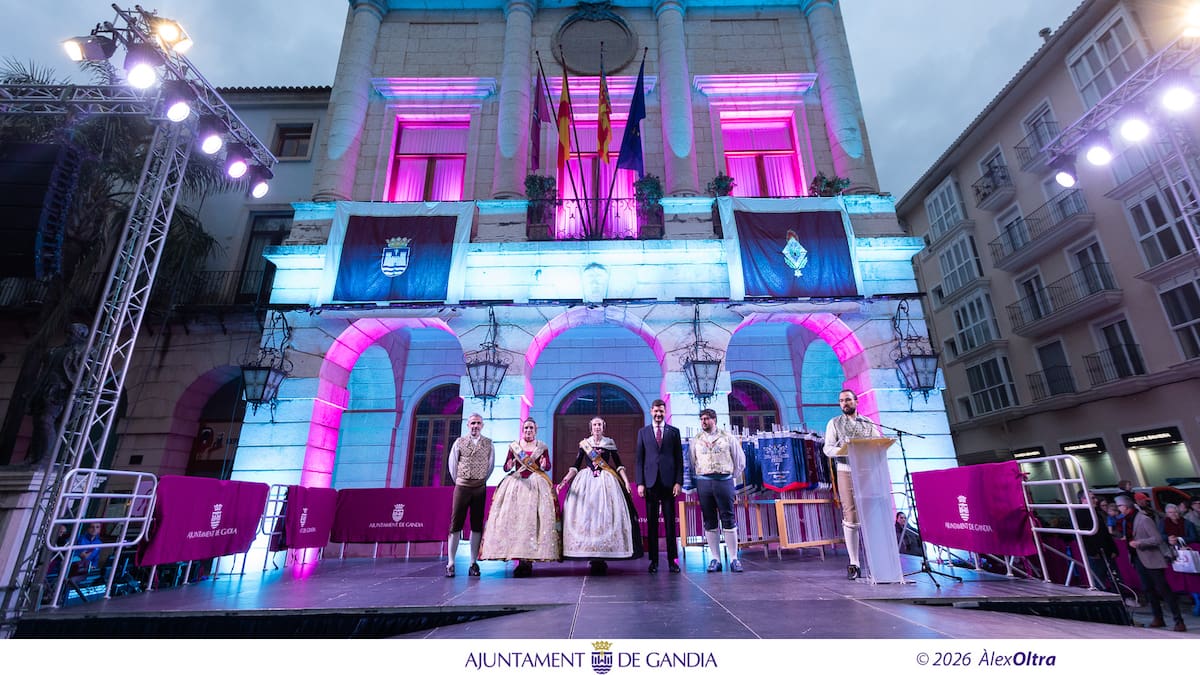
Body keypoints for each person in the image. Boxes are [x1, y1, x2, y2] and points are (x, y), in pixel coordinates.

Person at [557, 416, 642, 575]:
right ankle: (590, 554)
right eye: (595, 424)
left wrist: (625, 482)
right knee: (587, 517)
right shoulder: (585, 444)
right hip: (586, 482)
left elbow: (619, 465)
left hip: (607, 482)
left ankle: (602, 556)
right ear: (591, 428)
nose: (597, 427)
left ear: (603, 427)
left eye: (600, 425)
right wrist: (564, 481)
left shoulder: (609, 443)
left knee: (606, 517)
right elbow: (575, 465)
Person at [479, 418, 561, 577]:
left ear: (535, 429)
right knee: (516, 522)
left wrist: (544, 465)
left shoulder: (542, 447)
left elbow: (547, 466)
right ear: (523, 430)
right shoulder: (514, 446)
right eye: (526, 428)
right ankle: (519, 559)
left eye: (531, 428)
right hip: (516, 485)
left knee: (532, 522)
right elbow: (506, 466)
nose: (528, 430)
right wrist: (508, 466)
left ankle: (529, 560)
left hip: (536, 485)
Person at [822, 388, 882, 581]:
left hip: (867, 470)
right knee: (850, 514)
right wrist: (845, 450)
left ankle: (877, 558)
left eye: (847, 400)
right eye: (841, 401)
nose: (844, 403)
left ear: (856, 401)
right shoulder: (834, 423)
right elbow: (828, 448)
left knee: (872, 511)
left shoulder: (868, 422)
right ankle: (854, 562)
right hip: (846, 470)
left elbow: (879, 441)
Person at [1117, 495, 1186, 632]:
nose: (1118, 508)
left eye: (1119, 506)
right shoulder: (1126, 521)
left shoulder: (1144, 519)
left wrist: (1140, 543)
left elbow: (1157, 538)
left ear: (1125, 506)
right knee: (1148, 590)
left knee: (1163, 590)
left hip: (1152, 559)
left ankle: (1178, 620)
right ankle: (1158, 617)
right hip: (1138, 559)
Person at [690, 408, 746, 573]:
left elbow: (739, 460)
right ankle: (715, 558)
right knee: (709, 520)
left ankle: (734, 558)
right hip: (705, 482)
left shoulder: (727, 437)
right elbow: (692, 461)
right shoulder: (696, 440)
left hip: (724, 481)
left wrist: (729, 476)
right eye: (701, 419)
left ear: (714, 419)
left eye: (706, 419)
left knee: (728, 517)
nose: (703, 422)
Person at [27, 323, 90, 464]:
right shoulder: (55, 351)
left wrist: (76, 391)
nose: (68, 336)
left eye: (72, 334)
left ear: (80, 336)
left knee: (45, 421)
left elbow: (86, 375)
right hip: (44, 388)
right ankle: (33, 457)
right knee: (37, 423)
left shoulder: (83, 352)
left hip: (60, 391)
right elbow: (44, 371)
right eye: (67, 333)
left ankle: (46, 458)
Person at [635, 399, 684, 574]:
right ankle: (654, 561)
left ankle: (672, 561)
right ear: (651, 411)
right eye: (655, 411)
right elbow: (639, 460)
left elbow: (679, 459)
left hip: (670, 483)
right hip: (650, 483)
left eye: (661, 411)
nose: (658, 414)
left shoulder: (674, 432)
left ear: (665, 412)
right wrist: (640, 483)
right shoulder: (643, 432)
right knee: (652, 525)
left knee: (671, 524)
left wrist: (679, 482)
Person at [445, 413, 494, 578]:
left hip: (479, 488)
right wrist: (460, 480)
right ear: (468, 425)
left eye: (478, 423)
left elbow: (491, 465)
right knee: (456, 524)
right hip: (462, 487)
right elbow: (452, 464)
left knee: (477, 525)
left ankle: (473, 562)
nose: (475, 426)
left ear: (482, 426)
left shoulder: (488, 443)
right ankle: (451, 563)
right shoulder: (459, 442)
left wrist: (481, 479)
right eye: (473, 423)